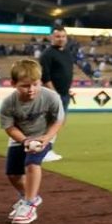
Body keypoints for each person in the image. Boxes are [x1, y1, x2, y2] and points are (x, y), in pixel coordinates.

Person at [0, 58, 65, 224]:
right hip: (19, 138)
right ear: (13, 84)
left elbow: (58, 121)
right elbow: (10, 128)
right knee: (13, 175)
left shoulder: (51, 97)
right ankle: (30, 196)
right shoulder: (8, 103)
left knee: (32, 164)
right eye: (25, 85)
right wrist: (25, 141)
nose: (31, 89)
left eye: (35, 84)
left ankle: (28, 205)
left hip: (43, 135)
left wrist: (46, 138)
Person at [39, 25, 75, 161]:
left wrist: (67, 89)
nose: (61, 39)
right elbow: (45, 77)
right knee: (51, 123)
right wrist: (54, 93)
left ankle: (47, 149)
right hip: (53, 95)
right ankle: (44, 151)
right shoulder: (47, 55)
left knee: (59, 122)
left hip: (64, 94)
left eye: (63, 36)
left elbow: (65, 73)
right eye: (57, 36)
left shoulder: (67, 52)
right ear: (51, 38)